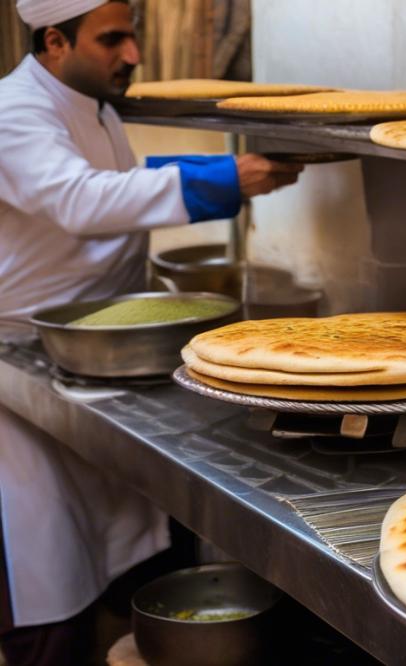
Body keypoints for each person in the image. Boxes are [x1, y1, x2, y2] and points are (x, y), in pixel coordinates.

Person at [0, 1, 303, 663]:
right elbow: (79, 199)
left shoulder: (93, 103)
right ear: (55, 40)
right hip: (27, 355)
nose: (133, 56)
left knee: (120, 540)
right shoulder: (15, 111)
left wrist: (223, 176)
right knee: (48, 562)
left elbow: (115, 182)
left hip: (106, 344)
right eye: (113, 39)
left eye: (131, 35)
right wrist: (224, 178)